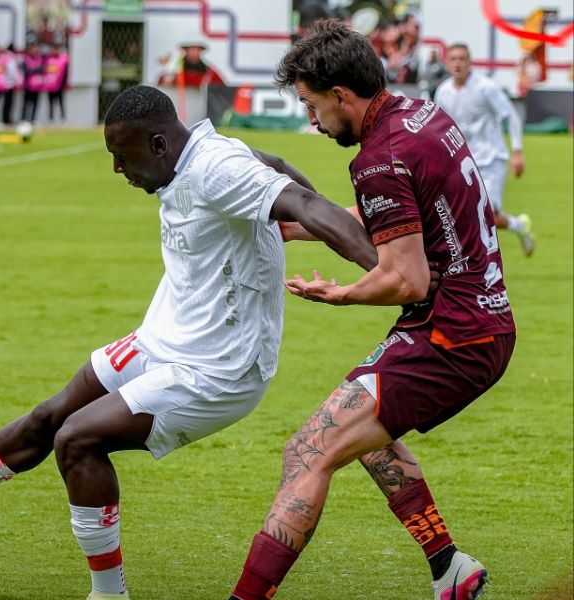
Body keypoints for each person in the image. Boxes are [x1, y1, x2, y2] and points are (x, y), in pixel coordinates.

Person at [0, 84, 382, 600]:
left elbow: (306, 201)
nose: (117, 170)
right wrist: (283, 218)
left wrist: (391, 272)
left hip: (217, 369)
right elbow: (278, 164)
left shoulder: (215, 169)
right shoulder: (200, 154)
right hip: (163, 336)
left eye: (121, 155)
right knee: (50, 415)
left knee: (77, 439)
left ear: (158, 144)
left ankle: (108, 594)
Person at [230, 20, 515, 600]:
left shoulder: (379, 157)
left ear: (341, 95)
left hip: (452, 336)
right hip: (476, 320)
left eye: (312, 105)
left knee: (309, 449)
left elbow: (405, 279)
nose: (312, 120)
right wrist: (305, 226)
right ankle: (450, 569)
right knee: (364, 432)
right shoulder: (421, 115)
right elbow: (406, 217)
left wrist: (340, 294)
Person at [435, 43, 535, 257]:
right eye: (453, 59)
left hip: (492, 160)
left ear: (470, 62)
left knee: (484, 214)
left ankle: (483, 266)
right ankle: (518, 226)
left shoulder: (486, 87)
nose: (458, 63)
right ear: (447, 63)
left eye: (462, 59)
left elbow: (511, 116)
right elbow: (439, 128)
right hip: (462, 162)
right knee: (466, 214)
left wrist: (517, 152)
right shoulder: (443, 92)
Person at [44, 43, 69, 123]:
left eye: (57, 49)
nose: (55, 50)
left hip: (60, 85)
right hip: (50, 85)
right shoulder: (48, 59)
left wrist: (65, 83)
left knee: (61, 102)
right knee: (50, 102)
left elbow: (66, 73)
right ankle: (51, 118)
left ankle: (62, 118)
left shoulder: (63, 59)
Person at [21, 40, 45, 123]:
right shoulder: (26, 58)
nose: (34, 50)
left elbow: (42, 69)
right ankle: (24, 119)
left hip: (37, 85)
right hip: (28, 85)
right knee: (27, 102)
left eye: (36, 48)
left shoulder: (40, 58)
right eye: (32, 48)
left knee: (36, 102)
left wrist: (33, 69)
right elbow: (26, 70)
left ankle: (33, 119)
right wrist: (35, 69)